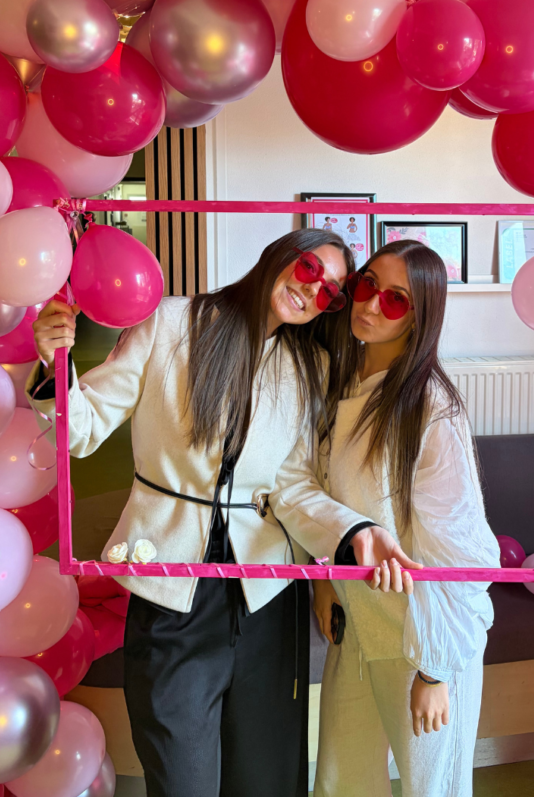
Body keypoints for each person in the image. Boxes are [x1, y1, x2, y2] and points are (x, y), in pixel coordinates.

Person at [27, 229, 353, 797]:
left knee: (265, 778)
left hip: (267, 593)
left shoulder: (311, 366)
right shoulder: (172, 321)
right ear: (279, 255)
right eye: (308, 269)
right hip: (170, 585)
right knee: (183, 778)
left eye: (329, 293)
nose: (312, 290)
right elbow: (82, 429)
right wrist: (55, 362)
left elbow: (294, 484)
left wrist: (348, 539)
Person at [271, 239, 500, 797]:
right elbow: (313, 492)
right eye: (367, 285)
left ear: (419, 317)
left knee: (432, 788)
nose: (371, 305)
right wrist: (325, 579)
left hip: (421, 636)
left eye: (395, 300)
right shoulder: (338, 380)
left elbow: (462, 552)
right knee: (341, 781)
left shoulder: (430, 409)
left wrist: (436, 669)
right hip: (358, 624)